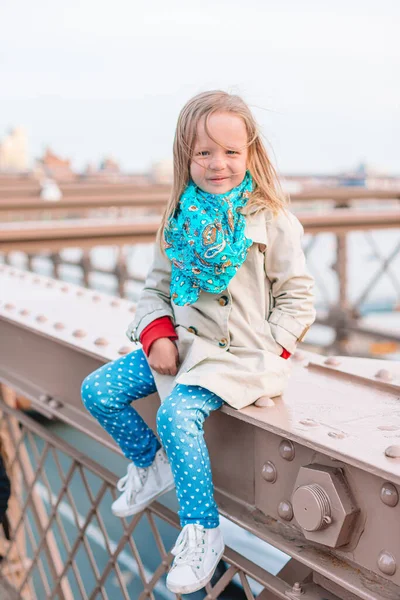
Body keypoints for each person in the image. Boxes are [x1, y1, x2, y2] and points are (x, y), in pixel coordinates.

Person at [81, 90, 316, 595]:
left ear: (250, 154)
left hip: (238, 359)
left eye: (231, 152)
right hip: (185, 350)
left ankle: (202, 530)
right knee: (98, 390)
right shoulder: (175, 222)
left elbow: (297, 297)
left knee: (176, 414)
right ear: (184, 158)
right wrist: (157, 335)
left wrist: (272, 354)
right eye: (203, 152)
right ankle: (152, 462)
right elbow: (155, 290)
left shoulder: (271, 220)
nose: (218, 164)